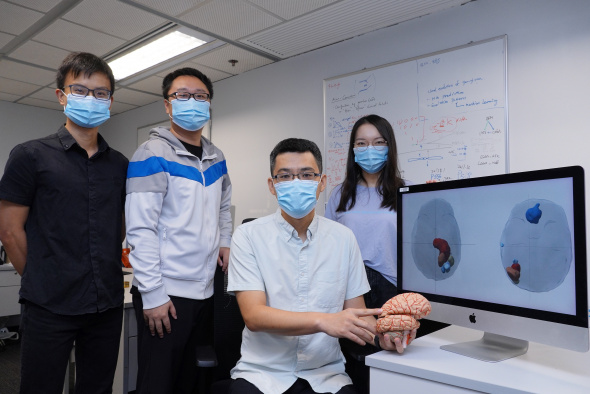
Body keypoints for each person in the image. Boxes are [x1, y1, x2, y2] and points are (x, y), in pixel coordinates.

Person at [227, 138, 414, 394]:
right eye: (285, 176)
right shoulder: (248, 236)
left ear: (322, 182)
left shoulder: (343, 238)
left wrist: (384, 337)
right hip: (262, 374)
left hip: (326, 375)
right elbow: (254, 316)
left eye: (306, 175)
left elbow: (357, 314)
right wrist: (324, 321)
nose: (296, 183)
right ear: (272, 186)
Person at [0, 52, 128, 393]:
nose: (92, 99)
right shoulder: (30, 156)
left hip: (106, 303)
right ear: (61, 96)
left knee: (97, 388)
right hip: (49, 305)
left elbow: (120, 227)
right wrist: (43, 277)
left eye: (100, 93)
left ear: (110, 101)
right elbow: (10, 231)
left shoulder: (120, 164)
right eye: (81, 90)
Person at [125, 67, 232, 393]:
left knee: (192, 380)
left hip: (205, 291)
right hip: (166, 294)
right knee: (159, 382)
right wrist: (153, 295)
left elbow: (224, 206)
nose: (193, 102)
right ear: (168, 106)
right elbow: (140, 228)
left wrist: (225, 240)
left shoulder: (216, 157)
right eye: (182, 96)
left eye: (200, 96)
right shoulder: (152, 153)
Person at [325, 114, 405, 310]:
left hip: (393, 288)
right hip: (349, 288)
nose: (369, 149)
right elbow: (327, 245)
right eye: (361, 143)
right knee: (354, 339)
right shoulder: (339, 194)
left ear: (389, 147)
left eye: (378, 142)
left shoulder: (405, 192)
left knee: (390, 340)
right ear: (353, 149)